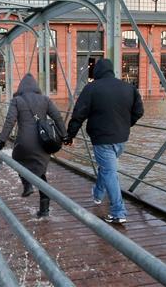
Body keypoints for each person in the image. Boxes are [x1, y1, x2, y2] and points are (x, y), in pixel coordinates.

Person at [64, 59, 144, 224]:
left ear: (97, 72)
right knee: (107, 169)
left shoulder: (91, 88)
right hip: (121, 139)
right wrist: (126, 125)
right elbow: (139, 111)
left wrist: (70, 135)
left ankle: (118, 212)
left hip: (101, 138)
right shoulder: (129, 88)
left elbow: (78, 115)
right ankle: (98, 195)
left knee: (109, 172)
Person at [0, 74, 67, 218]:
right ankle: (44, 208)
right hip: (43, 142)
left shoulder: (17, 100)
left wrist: (1, 142)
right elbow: (57, 117)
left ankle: (27, 184)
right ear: (35, 87)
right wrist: (65, 135)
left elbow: (10, 121)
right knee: (41, 173)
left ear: (21, 87)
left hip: (24, 142)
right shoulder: (45, 99)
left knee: (17, 157)